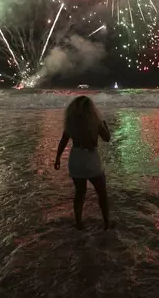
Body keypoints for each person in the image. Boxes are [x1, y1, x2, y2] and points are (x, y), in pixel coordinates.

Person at [54, 96, 111, 230]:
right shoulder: (96, 121)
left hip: (76, 159)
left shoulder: (71, 123)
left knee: (80, 192)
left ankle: (79, 223)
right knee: (101, 192)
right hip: (91, 159)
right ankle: (106, 223)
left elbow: (63, 141)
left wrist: (57, 158)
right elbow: (107, 138)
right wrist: (105, 124)